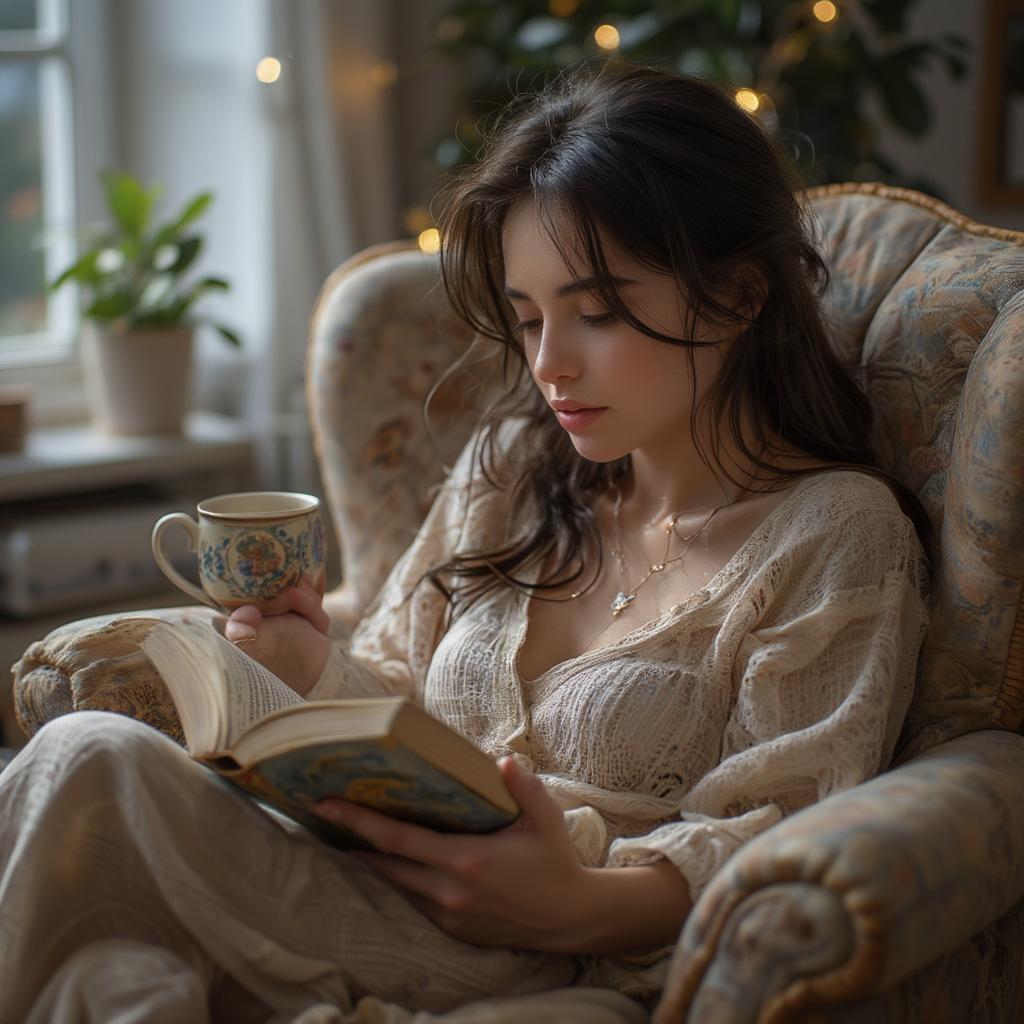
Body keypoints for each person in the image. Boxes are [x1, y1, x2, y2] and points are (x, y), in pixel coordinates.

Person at [0, 62, 931, 1024]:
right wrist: (306, 662)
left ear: (737, 295)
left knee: (88, 763)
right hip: (359, 891)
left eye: (598, 311)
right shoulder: (513, 467)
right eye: (528, 319)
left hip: (555, 961)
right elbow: (392, 694)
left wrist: (575, 904)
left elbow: (782, 832)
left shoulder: (834, 535)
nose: (548, 364)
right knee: (104, 969)